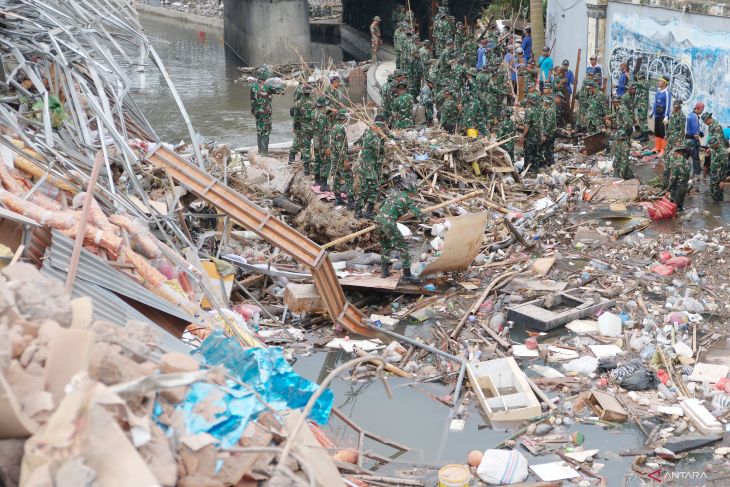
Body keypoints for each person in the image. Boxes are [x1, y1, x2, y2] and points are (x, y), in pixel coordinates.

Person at [375, 172, 422, 282]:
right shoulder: (406, 199)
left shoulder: (394, 195)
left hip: (378, 221)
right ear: (412, 190)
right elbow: (421, 215)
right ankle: (407, 275)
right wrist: (436, 220)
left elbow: (381, 206)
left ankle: (384, 272)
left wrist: (394, 216)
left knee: (386, 246)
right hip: (388, 223)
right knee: (403, 247)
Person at [356, 115, 388, 218]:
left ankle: (360, 211)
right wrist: (389, 144)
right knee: (373, 189)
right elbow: (381, 149)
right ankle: (366, 212)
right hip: (368, 168)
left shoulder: (367, 133)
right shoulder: (373, 136)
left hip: (366, 167)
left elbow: (360, 143)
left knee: (365, 189)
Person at [329, 109, 353, 208]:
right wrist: (346, 160)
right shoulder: (339, 129)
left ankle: (338, 199)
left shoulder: (335, 126)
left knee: (336, 177)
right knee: (349, 178)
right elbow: (341, 147)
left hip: (335, 157)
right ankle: (351, 202)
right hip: (340, 158)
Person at [608, 95, 634, 179]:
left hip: (623, 136)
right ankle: (620, 173)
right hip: (620, 135)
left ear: (617, 102)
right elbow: (616, 114)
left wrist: (621, 133)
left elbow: (627, 123)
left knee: (623, 157)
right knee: (618, 156)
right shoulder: (619, 108)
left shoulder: (622, 109)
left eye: (613, 102)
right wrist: (609, 116)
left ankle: (623, 175)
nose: (612, 103)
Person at [288, 84, 313, 165]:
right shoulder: (313, 102)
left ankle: (292, 159)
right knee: (306, 144)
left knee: (297, 141)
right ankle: (303, 161)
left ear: (303, 92)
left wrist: (294, 126)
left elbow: (295, 117)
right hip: (310, 126)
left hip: (300, 125)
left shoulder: (298, 103)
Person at [666, 140, 692, 211]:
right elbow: (688, 176)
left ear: (677, 152)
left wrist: (668, 190)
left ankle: (675, 218)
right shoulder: (687, 162)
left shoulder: (676, 163)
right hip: (684, 187)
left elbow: (673, 178)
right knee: (680, 206)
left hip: (676, 188)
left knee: (673, 207)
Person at [312, 96, 331, 189]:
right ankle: (324, 184)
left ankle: (317, 181)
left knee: (317, 160)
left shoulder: (313, 112)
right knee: (326, 161)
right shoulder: (323, 116)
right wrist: (327, 146)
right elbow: (323, 132)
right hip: (322, 141)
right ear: (323, 105)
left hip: (315, 140)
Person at [701, 112, 726, 178]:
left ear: (708, 119)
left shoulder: (716, 126)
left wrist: (710, 148)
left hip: (718, 149)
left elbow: (718, 140)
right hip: (714, 147)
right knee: (713, 164)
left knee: (717, 165)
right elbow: (711, 138)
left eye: (705, 121)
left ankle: (718, 179)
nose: (705, 123)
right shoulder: (712, 125)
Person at [652, 75, 671, 156]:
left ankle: (663, 150)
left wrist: (666, 116)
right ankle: (657, 147)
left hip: (663, 115)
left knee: (663, 132)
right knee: (657, 131)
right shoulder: (658, 91)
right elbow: (655, 102)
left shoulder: (667, 92)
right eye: (659, 81)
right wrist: (652, 111)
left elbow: (668, 105)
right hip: (657, 114)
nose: (659, 82)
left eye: (660, 81)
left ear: (665, 83)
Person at [523, 94, 542, 169]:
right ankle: (535, 169)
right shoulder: (538, 110)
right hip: (537, 135)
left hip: (530, 136)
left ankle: (527, 170)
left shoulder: (529, 110)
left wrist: (523, 136)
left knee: (528, 154)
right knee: (535, 154)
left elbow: (527, 125)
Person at [540, 93, 558, 167]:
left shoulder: (549, 111)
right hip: (549, 133)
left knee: (548, 148)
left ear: (547, 102)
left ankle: (550, 163)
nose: (543, 102)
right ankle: (549, 162)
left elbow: (549, 124)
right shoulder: (547, 110)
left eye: (544, 101)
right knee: (548, 148)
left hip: (549, 134)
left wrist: (545, 134)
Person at [685, 102, 703, 176]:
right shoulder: (695, 117)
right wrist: (698, 141)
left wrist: (699, 132)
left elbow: (690, 128)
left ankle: (682, 167)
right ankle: (697, 173)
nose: (702, 111)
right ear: (698, 109)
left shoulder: (690, 114)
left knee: (686, 155)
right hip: (692, 139)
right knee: (695, 157)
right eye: (702, 109)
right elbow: (695, 134)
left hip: (687, 138)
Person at [708, 135, 728, 201]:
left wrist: (722, 181)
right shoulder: (714, 149)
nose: (711, 147)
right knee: (713, 195)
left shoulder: (723, 153)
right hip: (713, 177)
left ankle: (718, 207)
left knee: (718, 197)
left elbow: (725, 168)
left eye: (712, 145)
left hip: (719, 179)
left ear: (716, 143)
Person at [633, 72, 650, 141]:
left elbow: (637, 95)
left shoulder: (642, 83)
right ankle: (642, 134)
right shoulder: (643, 83)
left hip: (642, 105)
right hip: (641, 105)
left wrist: (634, 104)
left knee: (643, 120)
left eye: (637, 76)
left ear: (639, 77)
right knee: (641, 119)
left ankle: (645, 136)